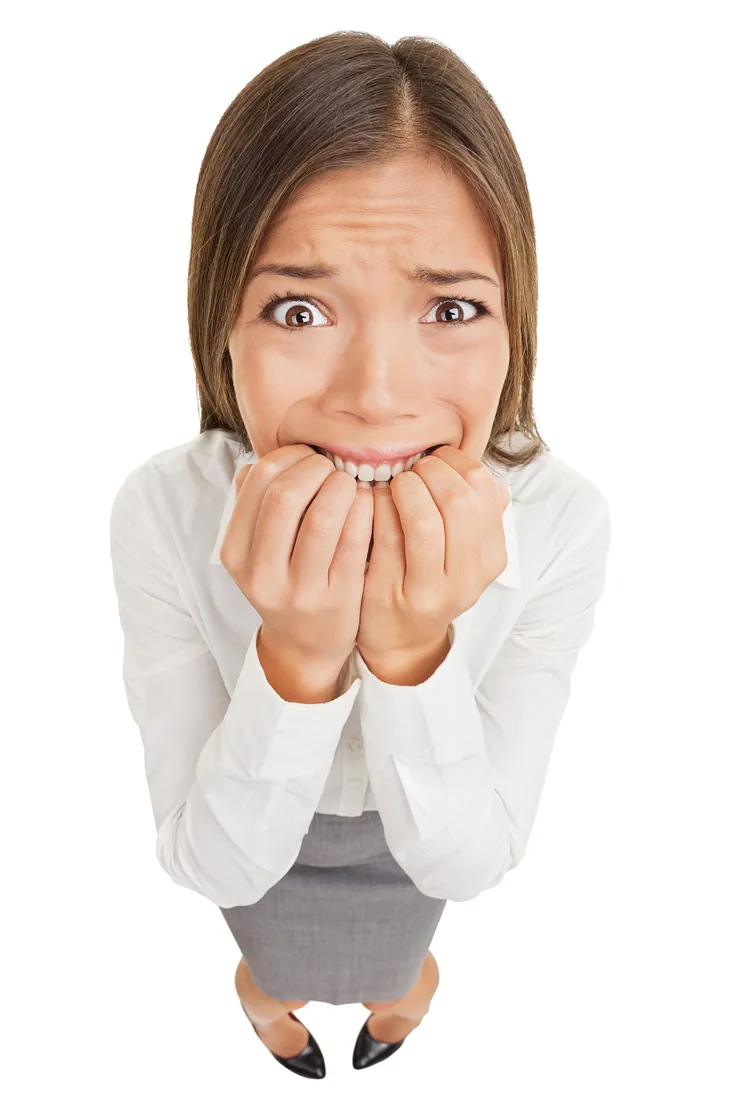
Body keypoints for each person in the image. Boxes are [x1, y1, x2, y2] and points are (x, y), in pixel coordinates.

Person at [109, 30, 612, 1079]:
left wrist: (413, 654)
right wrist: (292, 657)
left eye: (450, 308)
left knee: (400, 963)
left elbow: (468, 859)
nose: (377, 394)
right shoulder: (162, 507)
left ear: (513, 325)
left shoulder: (561, 520)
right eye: (299, 308)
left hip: (419, 830)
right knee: (270, 961)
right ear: (222, 333)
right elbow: (212, 860)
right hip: (256, 834)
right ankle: (268, 1006)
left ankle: (402, 998)